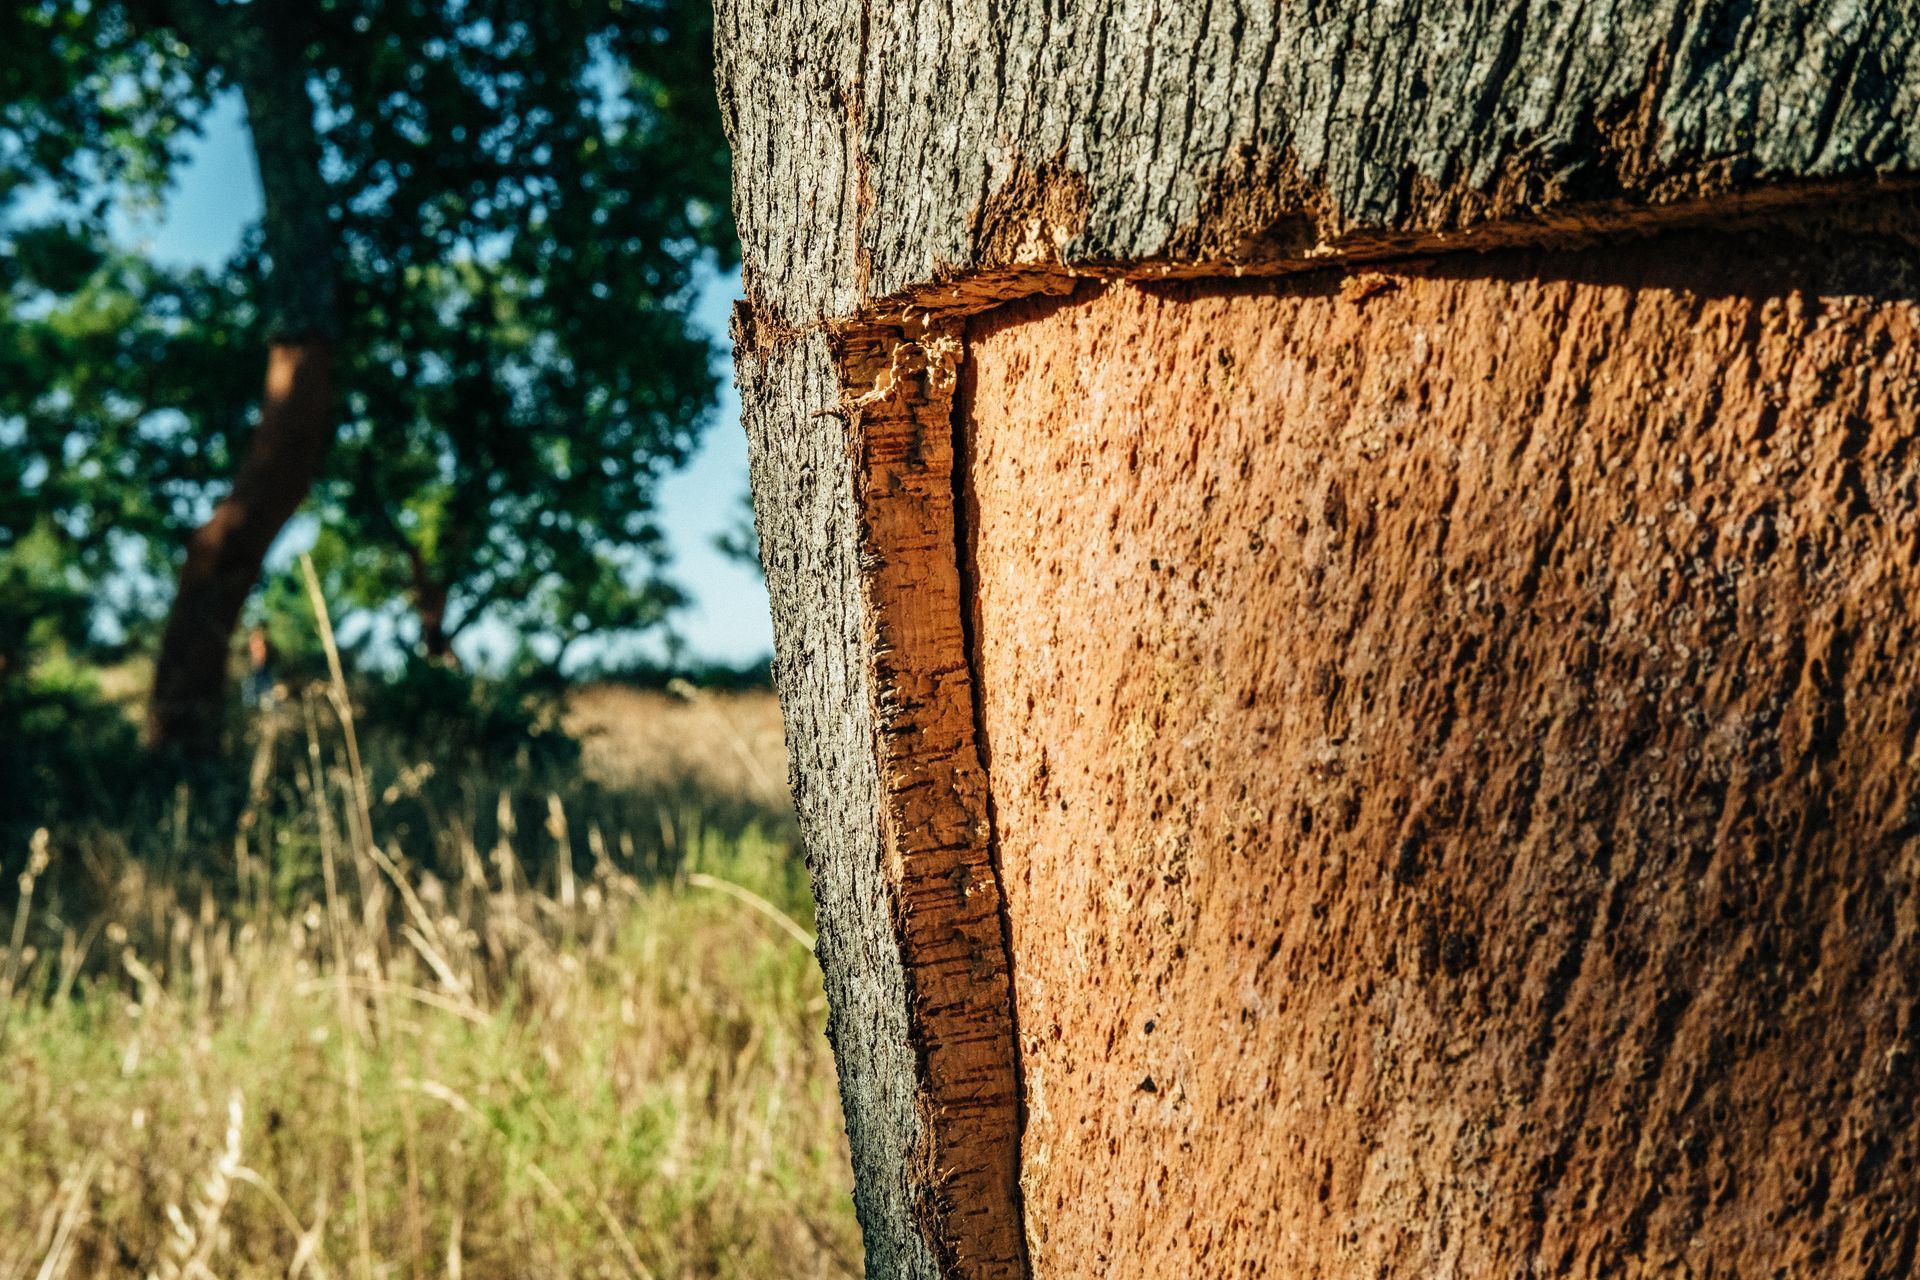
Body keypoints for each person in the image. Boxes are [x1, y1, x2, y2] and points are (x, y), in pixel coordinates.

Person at [242, 625, 277, 710]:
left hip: (263, 666)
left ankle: (266, 705)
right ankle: (251, 705)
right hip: (256, 666)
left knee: (265, 686)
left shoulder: (264, 644)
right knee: (252, 686)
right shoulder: (253, 643)